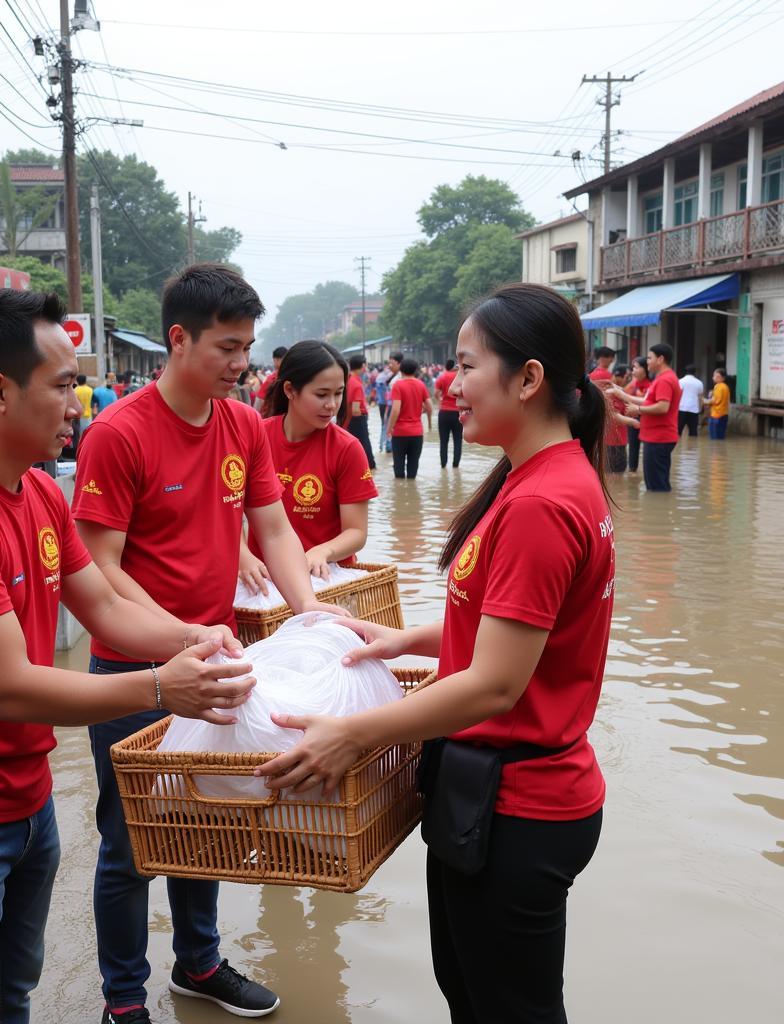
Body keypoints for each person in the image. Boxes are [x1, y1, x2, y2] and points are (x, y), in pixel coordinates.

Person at [0, 288, 258, 1024]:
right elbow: (11, 688)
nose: (77, 403)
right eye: (62, 385)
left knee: (11, 996)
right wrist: (162, 689)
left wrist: (195, 639)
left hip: (24, 794)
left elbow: (103, 606)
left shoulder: (38, 494)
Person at [256, 282, 614, 1024]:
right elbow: (506, 629)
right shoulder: (535, 478)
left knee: (509, 1009)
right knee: (472, 994)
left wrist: (354, 733)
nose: (451, 383)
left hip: (518, 802)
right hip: (495, 792)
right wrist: (407, 639)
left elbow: (493, 686)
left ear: (529, 378)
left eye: (466, 364)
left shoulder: (542, 502)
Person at [72, 264, 344, 1024]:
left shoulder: (238, 428)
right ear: (178, 338)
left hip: (220, 662)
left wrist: (312, 611)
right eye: (226, 346)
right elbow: (100, 570)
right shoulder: (119, 433)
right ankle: (124, 1000)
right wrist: (178, 636)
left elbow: (276, 528)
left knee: (207, 821)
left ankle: (198, 964)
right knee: (130, 841)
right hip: (137, 671)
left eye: (248, 347)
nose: (240, 364)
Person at [239, 340, 378, 594]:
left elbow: (356, 532)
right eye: (322, 394)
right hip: (266, 583)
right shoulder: (256, 436)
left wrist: (322, 551)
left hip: (326, 581)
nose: (332, 405)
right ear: (290, 390)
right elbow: (228, 509)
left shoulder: (347, 448)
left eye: (338, 393)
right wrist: (243, 555)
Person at [609, 343, 681, 492]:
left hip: (659, 437)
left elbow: (663, 407)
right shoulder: (663, 378)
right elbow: (649, 401)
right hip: (656, 437)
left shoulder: (664, 380)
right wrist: (622, 394)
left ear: (660, 359)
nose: (647, 361)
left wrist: (639, 410)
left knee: (656, 486)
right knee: (655, 482)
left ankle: (660, 513)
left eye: (649, 358)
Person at [387, 357, 432, 479]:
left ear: (401, 369)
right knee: (413, 468)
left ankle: (400, 495)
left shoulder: (398, 385)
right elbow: (429, 405)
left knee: (399, 468)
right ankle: (412, 494)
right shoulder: (421, 384)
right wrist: (429, 424)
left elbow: (395, 409)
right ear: (415, 370)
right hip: (417, 433)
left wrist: (389, 428)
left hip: (400, 433)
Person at [344, 353, 376, 470]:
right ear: (363, 365)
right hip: (357, 418)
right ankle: (369, 467)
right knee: (365, 445)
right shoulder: (356, 384)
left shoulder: (348, 380)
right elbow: (355, 409)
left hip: (348, 419)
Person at [435, 358, 462, 468]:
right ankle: (455, 465)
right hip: (458, 412)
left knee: (443, 441)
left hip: (444, 412)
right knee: (457, 440)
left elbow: (436, 393)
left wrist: (441, 401)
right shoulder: (460, 377)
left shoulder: (442, 377)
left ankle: (443, 465)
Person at [624, 356, 649, 472]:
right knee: (633, 446)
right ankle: (632, 470)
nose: (633, 370)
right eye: (633, 367)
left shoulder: (651, 385)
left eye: (636, 367)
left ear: (645, 369)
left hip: (647, 418)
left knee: (648, 448)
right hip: (633, 417)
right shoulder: (632, 383)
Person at [254, 345, 287, 414]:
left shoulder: (272, 379)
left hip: (271, 416)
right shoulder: (294, 377)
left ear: (276, 360)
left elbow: (259, 401)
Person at [678, 363, 704, 437]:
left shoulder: (680, 381)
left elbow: (677, 395)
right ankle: (693, 448)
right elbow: (700, 397)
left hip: (681, 409)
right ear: (695, 372)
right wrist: (700, 409)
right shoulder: (699, 383)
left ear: (685, 371)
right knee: (693, 433)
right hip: (694, 410)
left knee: (678, 432)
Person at [704, 367, 730, 439]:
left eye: (716, 376)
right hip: (722, 414)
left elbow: (715, 401)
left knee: (715, 438)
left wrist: (705, 401)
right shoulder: (724, 387)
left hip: (717, 415)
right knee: (719, 438)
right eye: (714, 376)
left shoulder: (719, 387)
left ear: (721, 377)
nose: (714, 377)